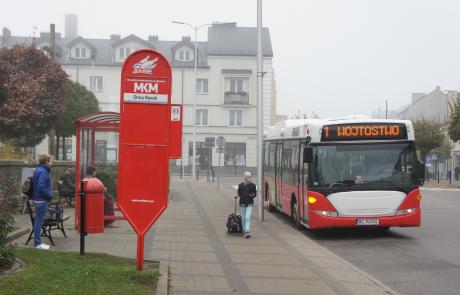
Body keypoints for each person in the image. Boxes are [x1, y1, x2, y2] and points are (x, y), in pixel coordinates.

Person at [32, 154, 53, 250]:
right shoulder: (43, 172)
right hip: (41, 200)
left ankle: (37, 242)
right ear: (46, 161)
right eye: (50, 161)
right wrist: (49, 196)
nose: (51, 163)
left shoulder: (38, 170)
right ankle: (37, 244)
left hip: (37, 199)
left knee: (38, 222)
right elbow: (41, 187)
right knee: (39, 223)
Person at [237, 171, 257, 238]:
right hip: (242, 203)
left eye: (251, 177)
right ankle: (243, 230)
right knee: (243, 218)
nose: (250, 178)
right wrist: (241, 196)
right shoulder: (241, 185)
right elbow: (239, 193)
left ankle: (247, 231)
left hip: (249, 203)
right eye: (249, 177)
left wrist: (252, 195)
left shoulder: (253, 185)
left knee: (247, 217)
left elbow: (255, 194)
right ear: (245, 178)